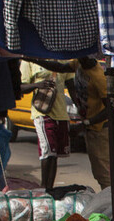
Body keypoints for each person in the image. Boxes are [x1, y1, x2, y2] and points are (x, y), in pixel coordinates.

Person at [19, 60, 75, 191]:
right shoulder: (30, 60)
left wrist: (80, 106)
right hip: (42, 112)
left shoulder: (62, 58)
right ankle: (43, 187)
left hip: (61, 113)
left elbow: (71, 85)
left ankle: (50, 188)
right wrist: (38, 85)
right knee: (47, 152)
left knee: (55, 155)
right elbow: (21, 87)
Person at [73, 58, 111, 190]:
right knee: (99, 173)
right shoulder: (79, 64)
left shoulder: (99, 77)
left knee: (105, 175)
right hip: (90, 130)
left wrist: (86, 123)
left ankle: (112, 206)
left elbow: (110, 109)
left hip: (100, 130)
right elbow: (61, 68)